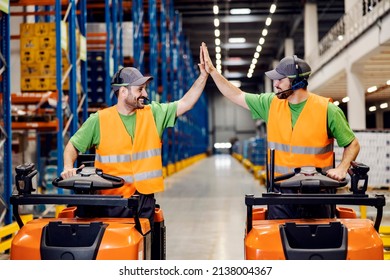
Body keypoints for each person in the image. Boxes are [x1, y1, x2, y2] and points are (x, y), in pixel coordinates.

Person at [200, 42, 360, 219]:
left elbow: (352, 144)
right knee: (279, 243)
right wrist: (213, 73)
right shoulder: (271, 104)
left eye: (280, 80)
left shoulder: (328, 110)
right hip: (279, 192)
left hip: (318, 192)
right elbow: (236, 95)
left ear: (297, 81)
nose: (275, 84)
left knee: (319, 242)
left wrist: (342, 168)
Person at [60, 48, 208, 228]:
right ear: (123, 92)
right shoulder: (99, 120)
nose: (145, 94)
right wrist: (68, 167)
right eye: (140, 89)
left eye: (144, 89)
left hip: (142, 202)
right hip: (109, 203)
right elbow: (72, 146)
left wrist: (203, 76)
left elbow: (185, 103)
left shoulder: (153, 113)